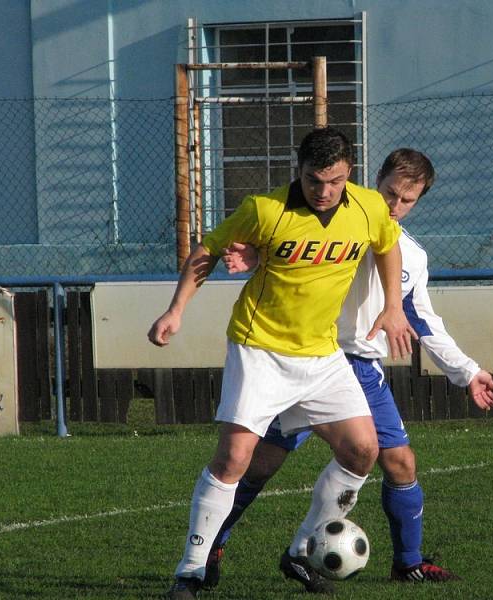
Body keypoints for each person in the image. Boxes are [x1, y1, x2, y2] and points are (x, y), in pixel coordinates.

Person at [209, 148, 493, 593]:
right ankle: (213, 545)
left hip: (360, 368)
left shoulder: (411, 256)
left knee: (400, 462)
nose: (395, 206)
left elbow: (421, 318)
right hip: (304, 358)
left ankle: (407, 563)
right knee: (258, 464)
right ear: (372, 182)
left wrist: (467, 371)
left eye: (407, 200)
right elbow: (288, 257)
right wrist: (254, 255)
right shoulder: (342, 223)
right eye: (389, 194)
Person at [147, 128, 415, 600]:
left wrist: (393, 305)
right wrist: (176, 310)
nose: (324, 190)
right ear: (300, 171)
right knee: (234, 458)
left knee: (362, 450)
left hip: (322, 354)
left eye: (333, 181)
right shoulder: (265, 210)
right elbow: (207, 251)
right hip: (260, 348)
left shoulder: (370, 206)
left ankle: (300, 552)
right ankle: (188, 573)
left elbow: (387, 244)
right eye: (314, 180)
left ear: (348, 172)